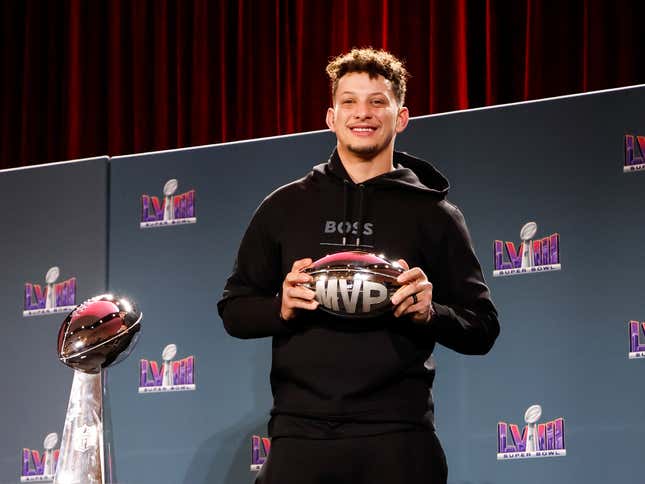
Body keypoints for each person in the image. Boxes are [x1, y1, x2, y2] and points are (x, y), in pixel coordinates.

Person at [218, 48, 499, 484]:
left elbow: (482, 329)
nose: (361, 113)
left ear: (401, 117)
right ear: (331, 117)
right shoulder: (284, 206)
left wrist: (432, 312)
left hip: (398, 436)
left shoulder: (435, 213)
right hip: (300, 434)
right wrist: (281, 307)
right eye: (349, 101)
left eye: (376, 101)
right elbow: (234, 310)